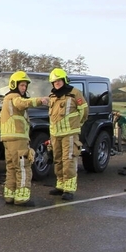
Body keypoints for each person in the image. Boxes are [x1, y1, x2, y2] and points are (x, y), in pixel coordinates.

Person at [0, 71, 49, 207]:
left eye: (25, 86)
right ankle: (22, 198)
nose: (24, 88)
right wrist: (40, 100)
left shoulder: (6, 99)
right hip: (18, 139)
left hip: (8, 140)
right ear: (14, 85)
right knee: (23, 168)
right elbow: (22, 103)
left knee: (11, 168)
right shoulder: (14, 97)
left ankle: (9, 196)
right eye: (21, 85)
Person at [47, 68, 89, 201]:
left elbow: (84, 112)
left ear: (64, 80)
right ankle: (60, 185)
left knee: (69, 160)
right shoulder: (52, 96)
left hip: (70, 134)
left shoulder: (75, 93)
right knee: (57, 160)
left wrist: (76, 125)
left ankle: (69, 189)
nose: (57, 83)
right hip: (55, 134)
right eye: (54, 81)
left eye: (59, 80)